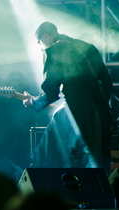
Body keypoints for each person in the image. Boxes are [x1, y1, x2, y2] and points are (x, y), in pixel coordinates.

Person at [21, 22, 113, 170]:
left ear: (46, 36)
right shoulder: (87, 47)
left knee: (56, 153)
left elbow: (51, 91)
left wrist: (34, 102)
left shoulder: (55, 50)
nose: (40, 46)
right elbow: (106, 82)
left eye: (39, 42)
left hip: (78, 112)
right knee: (99, 160)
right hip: (102, 111)